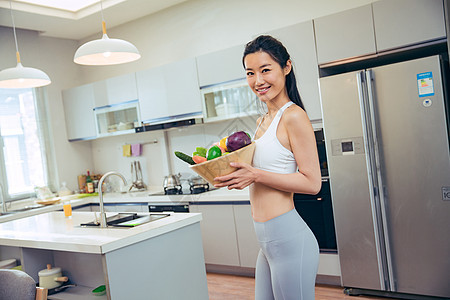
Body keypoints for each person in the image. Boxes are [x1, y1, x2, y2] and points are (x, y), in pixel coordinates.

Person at [214, 35, 321, 300]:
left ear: (286, 67)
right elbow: (263, 171)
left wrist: (255, 174)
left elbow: (312, 183)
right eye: (250, 73)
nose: (258, 81)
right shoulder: (263, 120)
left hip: (289, 240)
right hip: (267, 243)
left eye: (265, 70)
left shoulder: (294, 116)